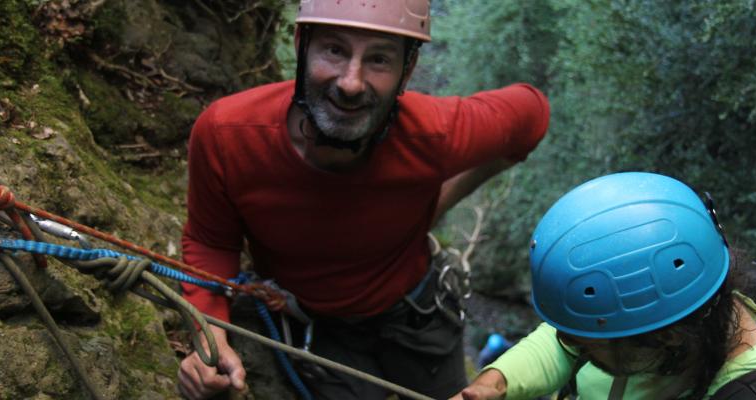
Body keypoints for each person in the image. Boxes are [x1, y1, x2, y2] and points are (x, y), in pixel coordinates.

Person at [175, 1, 551, 399]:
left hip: (417, 318)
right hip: (321, 330)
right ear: (303, 45)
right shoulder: (229, 136)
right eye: (334, 50)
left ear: (406, 72)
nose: (351, 82)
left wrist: (440, 199)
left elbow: (531, 115)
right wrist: (210, 338)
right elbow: (211, 241)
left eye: (379, 60)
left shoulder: (433, 136)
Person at [452, 172, 756, 400]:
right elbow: (562, 343)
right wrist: (497, 383)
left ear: (668, 339)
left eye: (584, 344)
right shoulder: (654, 325)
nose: (569, 344)